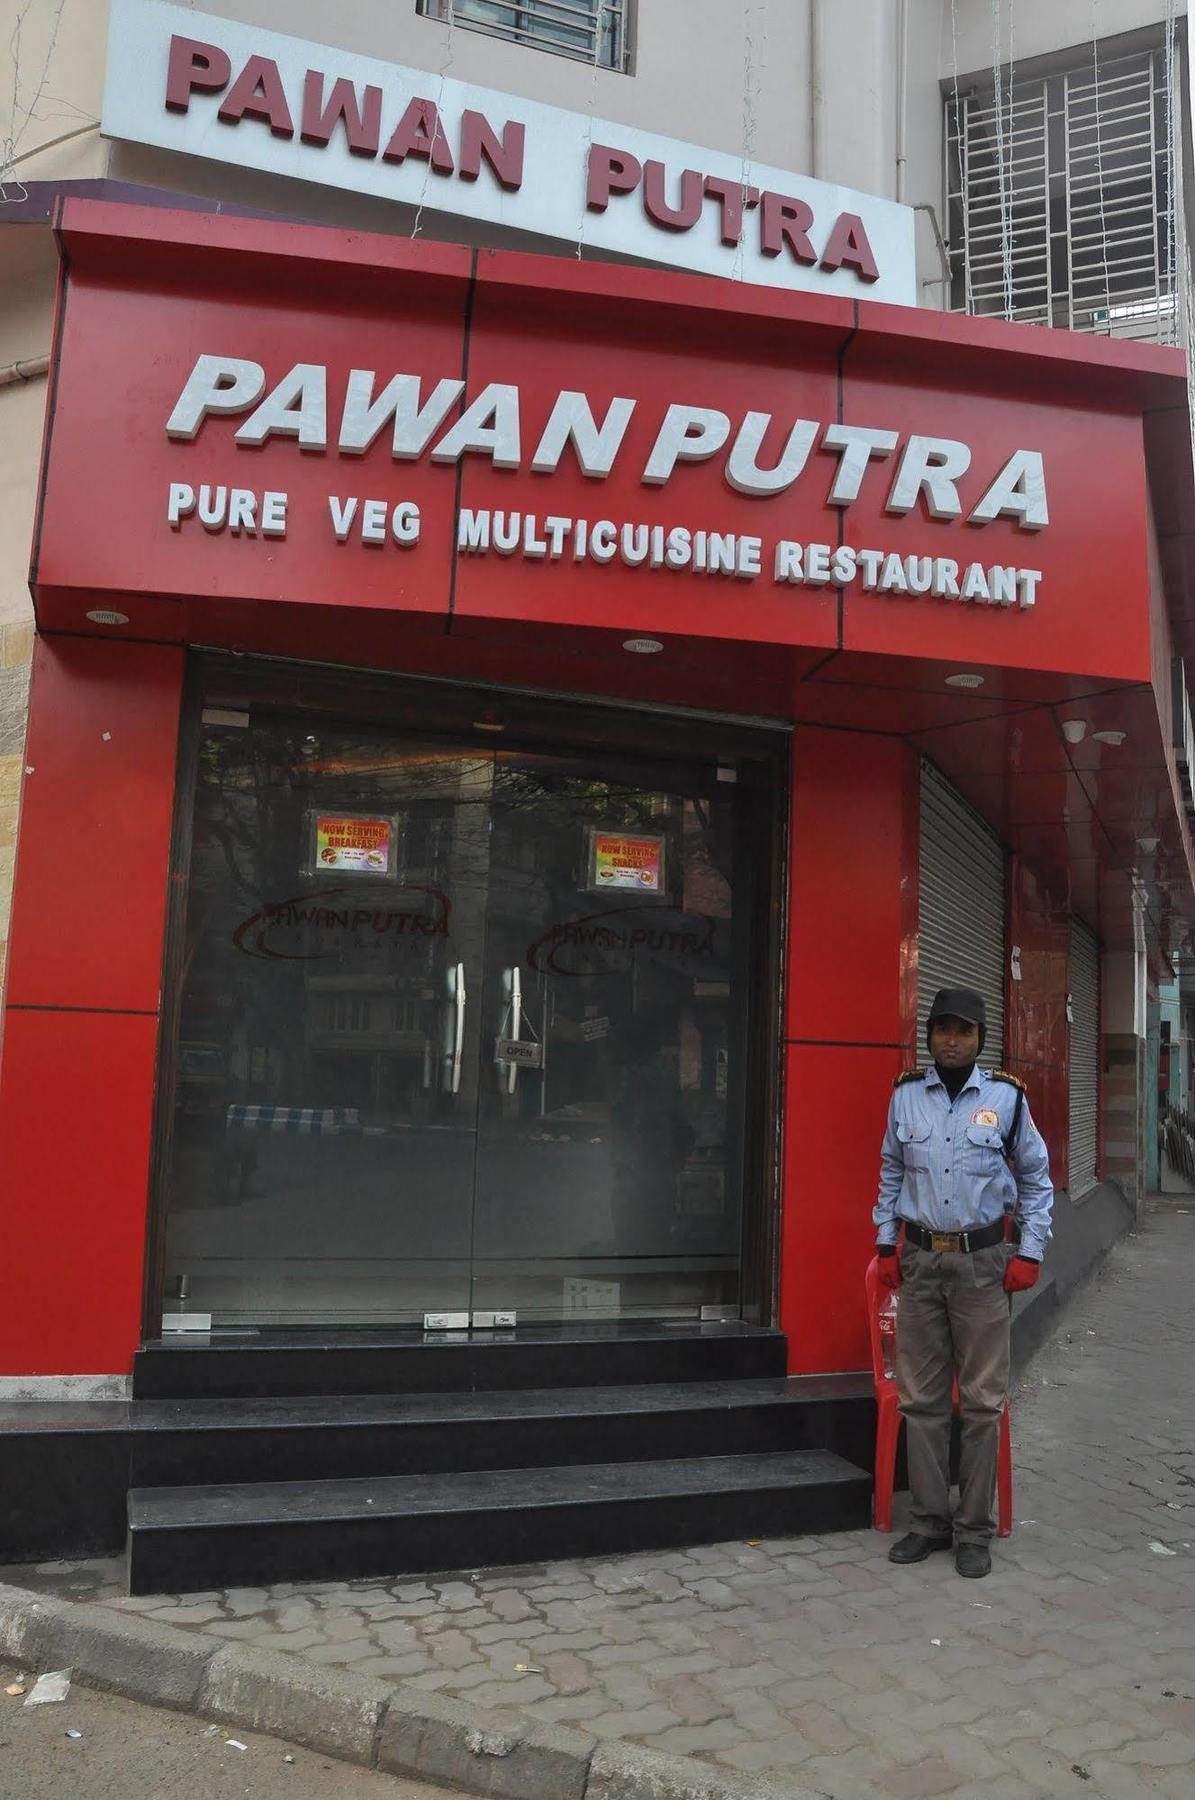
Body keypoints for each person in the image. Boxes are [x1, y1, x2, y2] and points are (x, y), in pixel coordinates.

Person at [873, 986, 1054, 1579]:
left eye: (964, 1031)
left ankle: (974, 1529)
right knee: (922, 1400)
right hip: (922, 1262)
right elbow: (891, 1170)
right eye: (943, 1029)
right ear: (929, 1035)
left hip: (983, 1264)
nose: (952, 1039)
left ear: (980, 1039)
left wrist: (1028, 1252)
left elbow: (1036, 1179)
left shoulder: (1006, 1099)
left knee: (980, 1402)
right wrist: (886, 1241)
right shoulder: (906, 1096)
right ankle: (929, 1522)